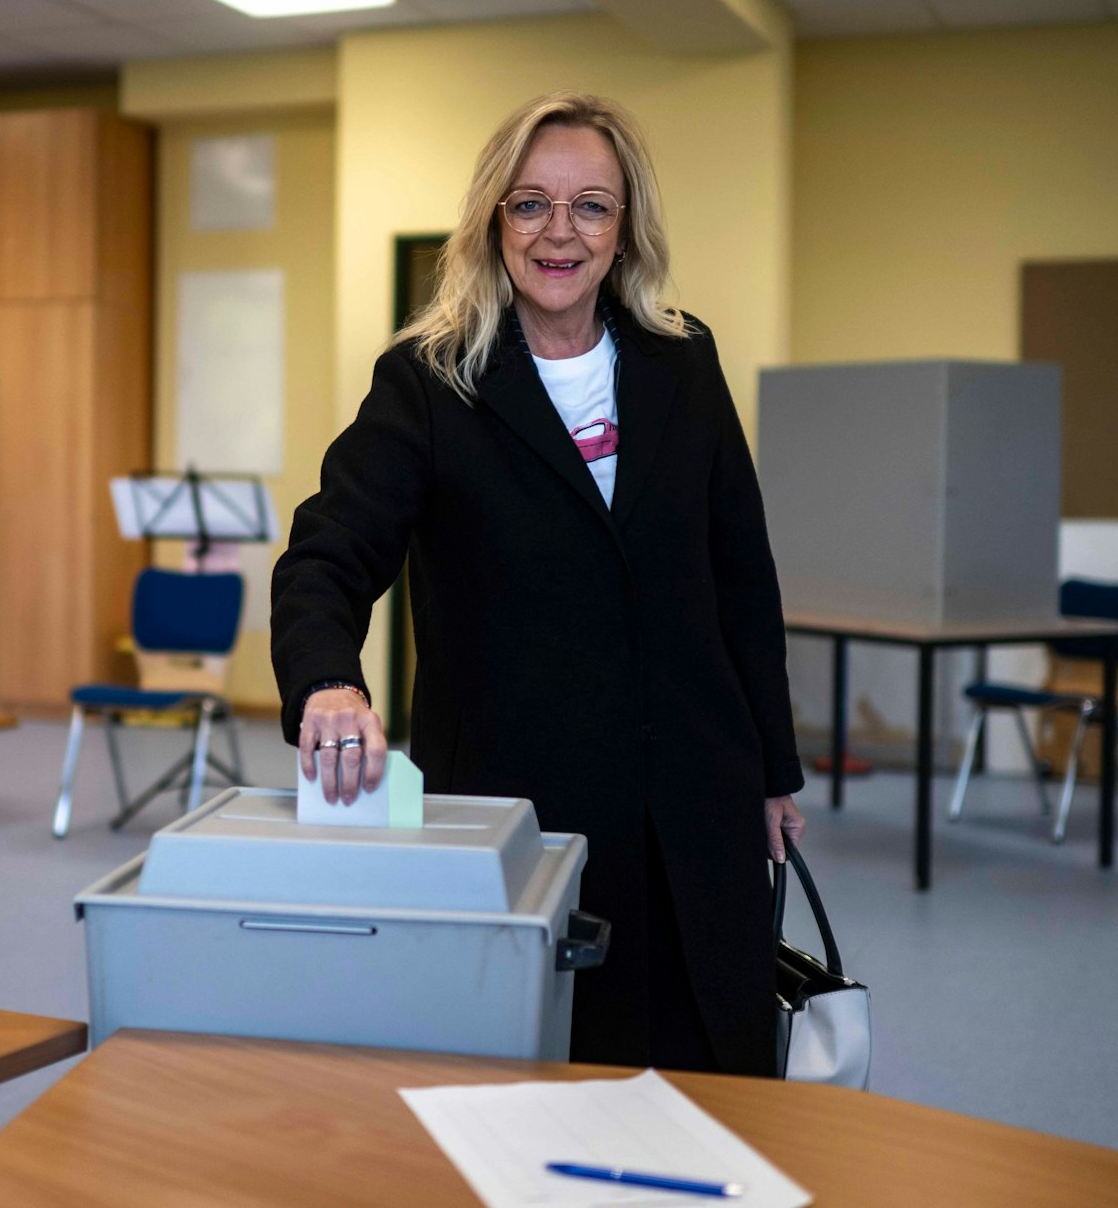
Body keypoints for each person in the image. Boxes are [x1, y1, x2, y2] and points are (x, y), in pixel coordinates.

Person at [271, 90, 806, 1076]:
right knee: (548, 1085)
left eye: (590, 206)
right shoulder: (428, 382)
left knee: (716, 1083)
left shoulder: (683, 361)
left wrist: (772, 767)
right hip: (527, 811)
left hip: (698, 798)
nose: (560, 231)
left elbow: (740, 570)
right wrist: (327, 680)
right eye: (530, 204)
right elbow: (326, 552)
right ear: (493, 221)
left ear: (624, 228)